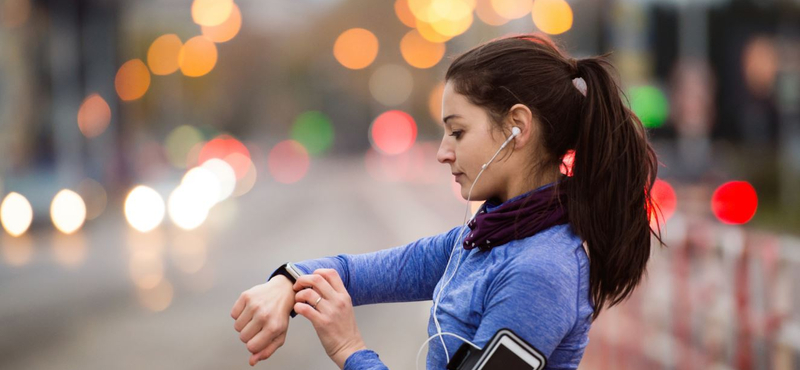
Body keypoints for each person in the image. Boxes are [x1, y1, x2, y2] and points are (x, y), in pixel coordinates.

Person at [230, 34, 664, 369]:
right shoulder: (476, 242)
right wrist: (284, 283)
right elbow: (351, 273)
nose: (442, 151)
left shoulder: (542, 271)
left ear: (517, 127)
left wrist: (349, 349)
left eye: (457, 132)